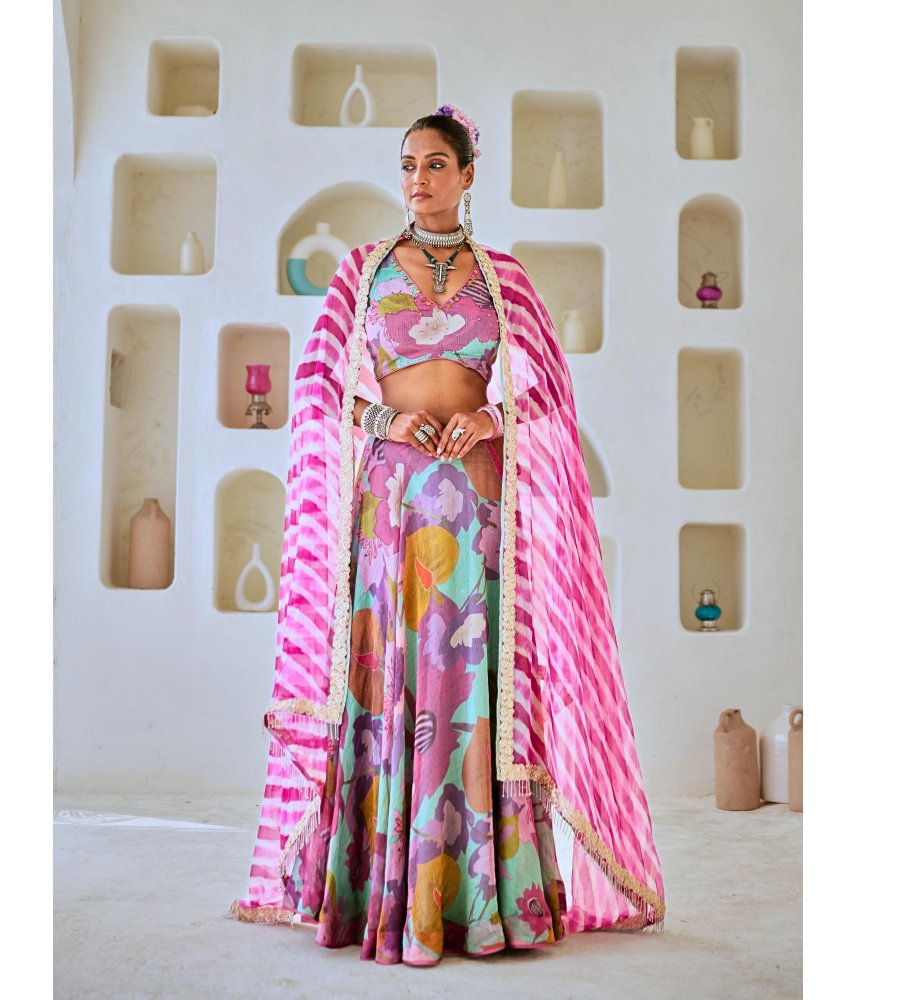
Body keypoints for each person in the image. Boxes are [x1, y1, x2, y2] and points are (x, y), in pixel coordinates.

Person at [230, 105, 666, 965]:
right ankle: (380, 891)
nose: (418, 179)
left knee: (470, 690)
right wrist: (383, 421)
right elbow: (315, 382)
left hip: (477, 508)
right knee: (392, 677)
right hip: (389, 510)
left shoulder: (504, 277)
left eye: (435, 164)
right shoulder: (361, 269)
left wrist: (493, 418)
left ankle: (480, 897)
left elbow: (551, 389)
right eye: (407, 164)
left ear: (468, 175)